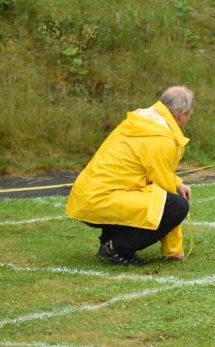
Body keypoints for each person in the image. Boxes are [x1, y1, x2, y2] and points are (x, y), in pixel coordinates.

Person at [66, 86, 194, 266]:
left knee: (151, 196)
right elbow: (165, 187)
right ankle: (117, 248)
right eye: (189, 115)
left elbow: (146, 167)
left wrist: (177, 181)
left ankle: (109, 240)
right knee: (176, 205)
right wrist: (173, 249)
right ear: (181, 115)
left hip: (88, 197)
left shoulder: (141, 120)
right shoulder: (161, 139)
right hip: (102, 200)